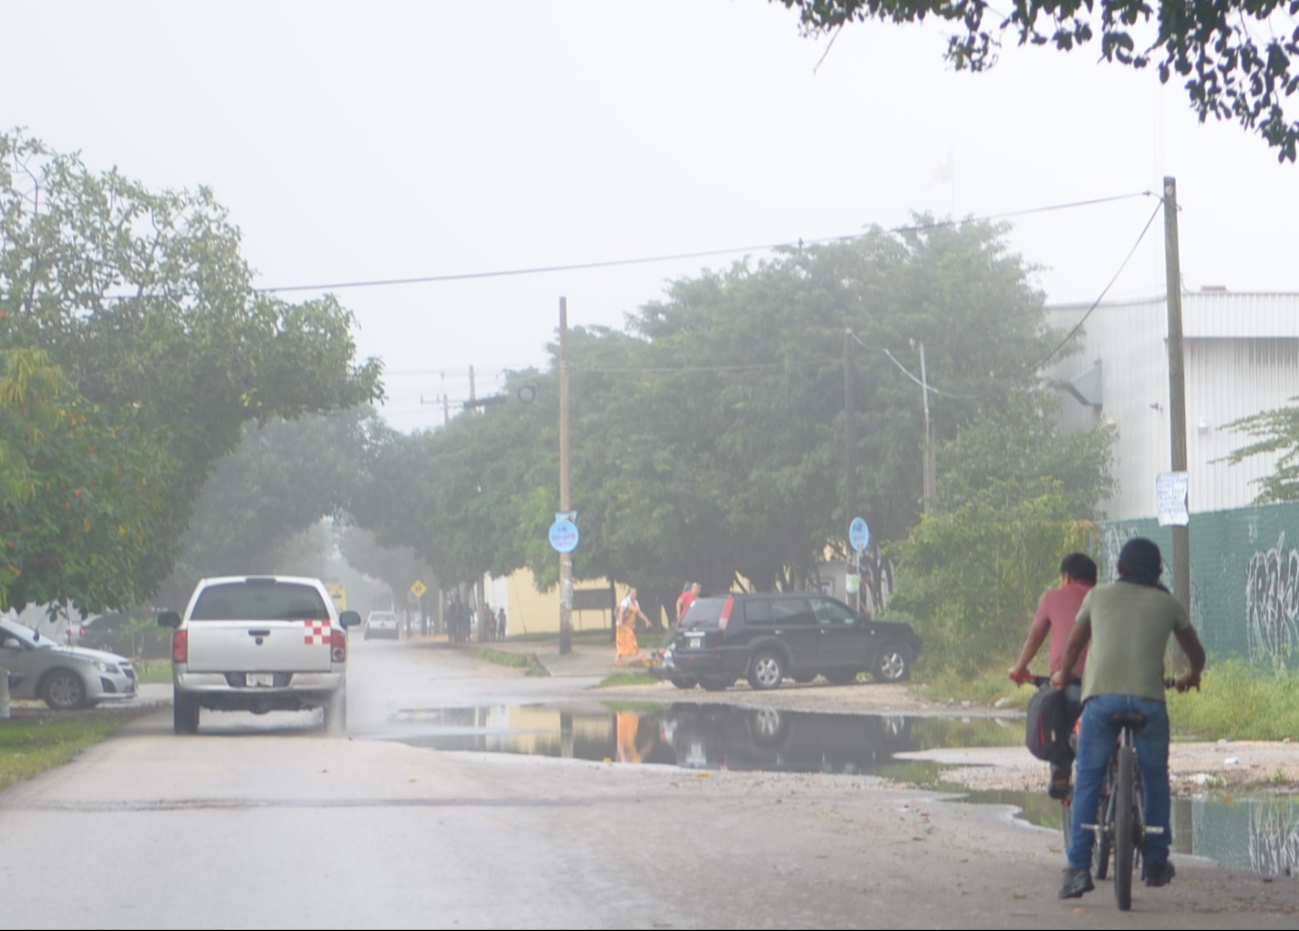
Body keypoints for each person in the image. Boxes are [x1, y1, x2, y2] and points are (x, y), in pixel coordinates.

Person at [1052, 537, 1206, 900]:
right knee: (1154, 776)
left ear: (1118, 568)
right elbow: (1195, 652)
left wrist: (1061, 675)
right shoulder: (1167, 602)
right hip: (1149, 703)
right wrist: (1191, 676)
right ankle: (1155, 861)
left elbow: (1073, 646)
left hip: (1101, 702)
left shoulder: (1097, 596)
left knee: (1088, 776)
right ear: (1159, 571)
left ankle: (1077, 869)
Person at [1008, 552, 1098, 799]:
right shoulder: (1103, 598)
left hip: (1069, 684)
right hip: (1106, 684)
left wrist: (1019, 668)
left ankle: (1060, 770)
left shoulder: (1052, 597)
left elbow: (1035, 638)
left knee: (1059, 714)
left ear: (1066, 577)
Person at [615, 587, 651, 665]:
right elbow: (621, 612)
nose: (634, 595)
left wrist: (646, 620)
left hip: (629, 626)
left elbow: (639, 613)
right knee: (629, 639)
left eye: (635, 593)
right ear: (628, 593)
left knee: (623, 641)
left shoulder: (636, 603)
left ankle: (619, 658)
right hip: (623, 625)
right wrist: (620, 622)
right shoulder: (625, 602)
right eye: (632, 593)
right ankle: (637, 654)